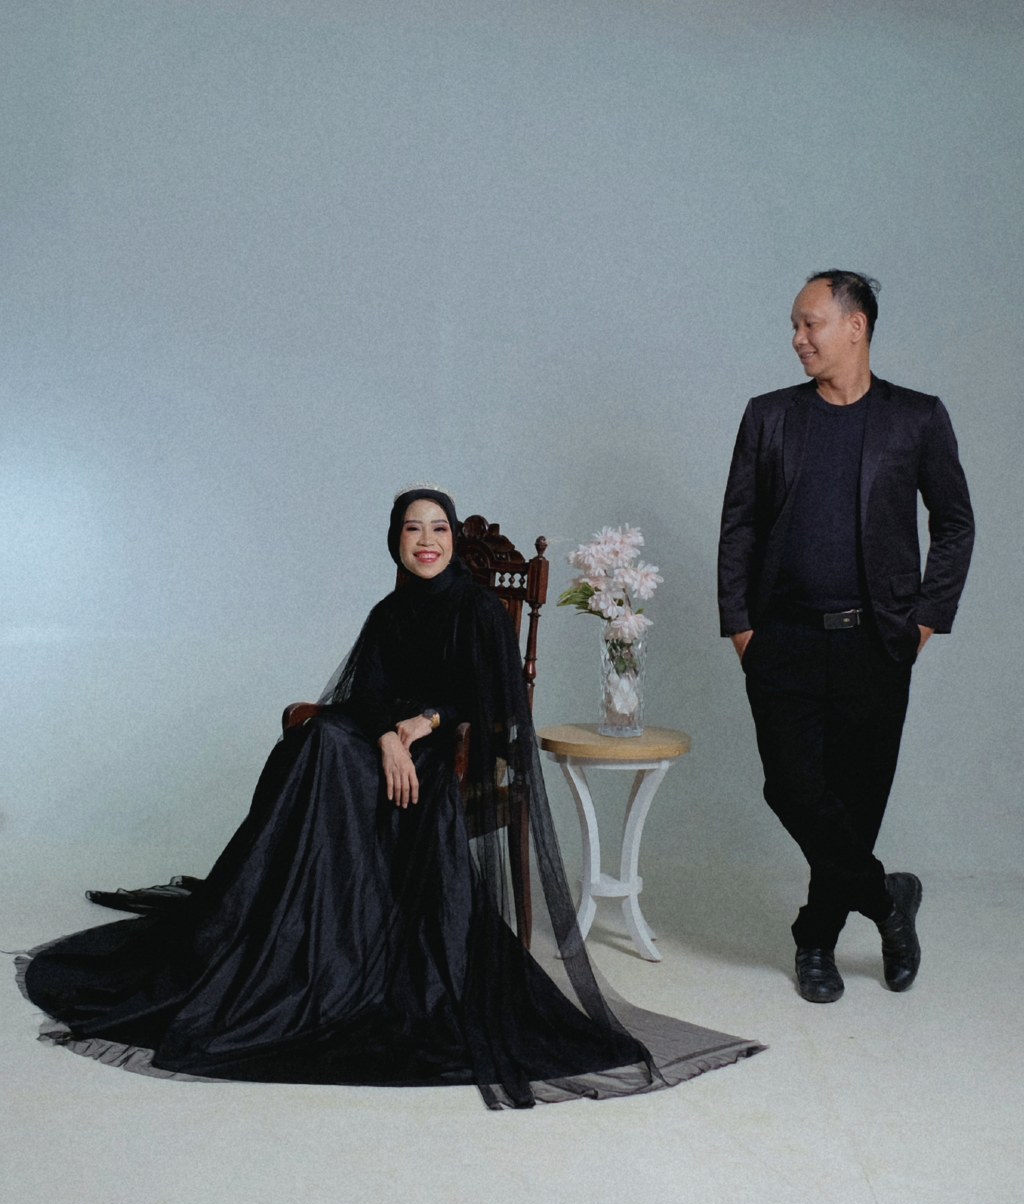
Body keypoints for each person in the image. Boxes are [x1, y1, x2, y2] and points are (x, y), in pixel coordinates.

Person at [20, 485, 763, 1108]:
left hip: (444, 754)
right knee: (317, 739)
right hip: (383, 744)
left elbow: (492, 701)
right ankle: (287, 930)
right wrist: (385, 735)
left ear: (452, 540)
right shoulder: (388, 612)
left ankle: (318, 937)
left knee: (323, 745)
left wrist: (418, 726)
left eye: (438, 528)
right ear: (395, 542)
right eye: (413, 529)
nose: (427, 540)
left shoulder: (478, 611)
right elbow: (363, 697)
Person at [718, 272, 974, 1004]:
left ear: (855, 325)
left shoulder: (916, 418)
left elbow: (955, 523)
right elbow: (739, 525)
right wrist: (741, 627)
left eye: (811, 324)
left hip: (877, 644)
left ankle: (815, 940)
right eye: (795, 327)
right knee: (792, 786)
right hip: (783, 640)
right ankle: (889, 900)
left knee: (855, 804)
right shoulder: (769, 417)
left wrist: (925, 618)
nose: (798, 339)